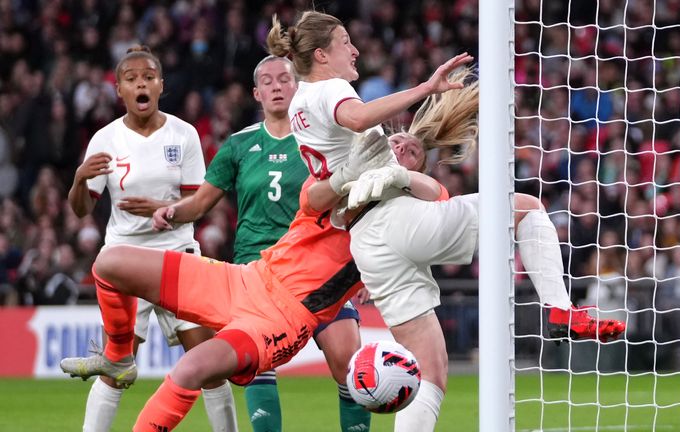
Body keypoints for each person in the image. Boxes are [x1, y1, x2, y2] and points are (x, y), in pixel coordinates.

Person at [266, 12, 626, 431]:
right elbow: (358, 118)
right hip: (395, 217)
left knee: (428, 372)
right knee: (526, 207)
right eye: (346, 41)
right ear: (322, 54)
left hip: (368, 243)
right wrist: (426, 88)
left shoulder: (298, 110)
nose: (355, 49)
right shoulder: (330, 88)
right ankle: (561, 310)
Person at [58, 127, 438, 431]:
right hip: (246, 279)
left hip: (283, 319)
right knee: (109, 263)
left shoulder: (401, 219)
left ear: (415, 171)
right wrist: (350, 176)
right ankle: (119, 356)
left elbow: (439, 197)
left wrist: (400, 177)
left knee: (191, 369)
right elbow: (314, 200)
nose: (400, 147)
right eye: (396, 141)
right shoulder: (331, 182)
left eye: (411, 152)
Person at [151, 55, 371, 432]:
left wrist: (363, 270)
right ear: (256, 93)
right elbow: (202, 202)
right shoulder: (239, 145)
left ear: (298, 87)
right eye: (266, 81)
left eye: (284, 79)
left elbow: (356, 204)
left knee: (348, 362)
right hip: (258, 271)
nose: (276, 86)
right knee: (259, 365)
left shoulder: (324, 141)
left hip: (318, 269)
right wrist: (172, 212)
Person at [64, 46, 238, 432]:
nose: (140, 82)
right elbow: (80, 210)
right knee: (115, 368)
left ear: (161, 85)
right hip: (124, 263)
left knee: (210, 363)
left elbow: (200, 201)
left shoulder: (185, 134)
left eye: (148, 76)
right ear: (119, 90)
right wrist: (78, 179)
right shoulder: (105, 139)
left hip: (177, 256)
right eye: (131, 78)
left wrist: (162, 207)